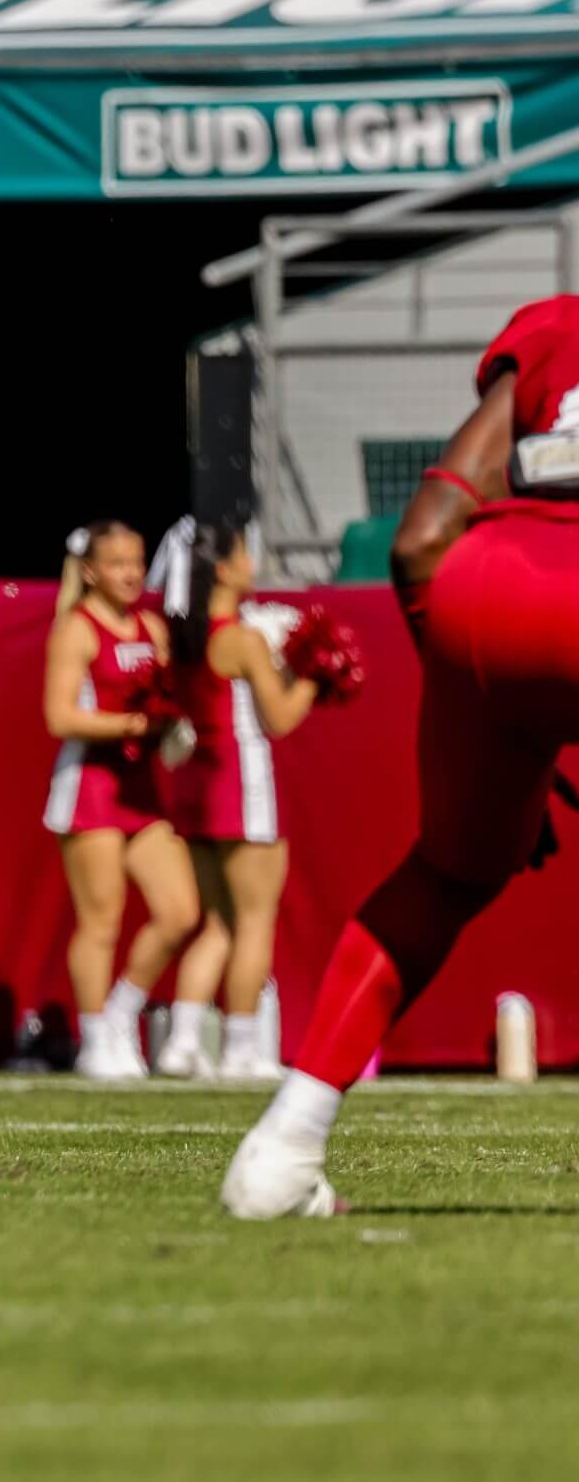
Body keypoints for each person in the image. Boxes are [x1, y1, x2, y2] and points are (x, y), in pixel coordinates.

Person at [225, 298, 579, 1219]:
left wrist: (491, 717)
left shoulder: (556, 329)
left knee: (446, 877)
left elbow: (421, 538)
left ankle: (285, 1148)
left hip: (487, 594)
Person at [146, 520, 325, 1082]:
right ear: (223, 569)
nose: (253, 561)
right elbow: (280, 717)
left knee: (220, 923)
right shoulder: (242, 639)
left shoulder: (185, 636)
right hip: (242, 787)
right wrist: (316, 676)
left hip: (199, 788)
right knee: (254, 921)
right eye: (246, 553)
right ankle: (244, 1047)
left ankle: (181, 1041)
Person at [42, 521, 202, 1081]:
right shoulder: (76, 629)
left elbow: (167, 694)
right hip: (90, 784)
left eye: (136, 562)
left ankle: (120, 1012)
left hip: (140, 789)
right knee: (101, 920)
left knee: (181, 910)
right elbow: (60, 716)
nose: (130, 574)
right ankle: (95, 1041)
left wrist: (173, 725)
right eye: (116, 563)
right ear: (91, 571)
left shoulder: (152, 626)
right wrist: (135, 722)